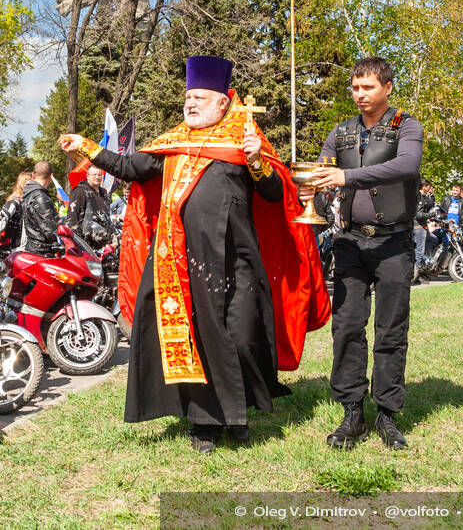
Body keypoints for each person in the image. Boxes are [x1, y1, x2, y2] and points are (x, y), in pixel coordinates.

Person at [61, 55, 328, 454]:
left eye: (199, 97)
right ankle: (205, 423)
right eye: (187, 97)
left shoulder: (244, 139)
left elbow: (276, 193)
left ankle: (239, 409)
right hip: (180, 261)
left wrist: (256, 161)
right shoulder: (172, 144)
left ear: (223, 102)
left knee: (240, 336)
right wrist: (84, 146)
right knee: (194, 341)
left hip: (237, 260)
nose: (190, 103)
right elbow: (129, 167)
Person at [302, 56, 423, 452]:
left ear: (387, 88)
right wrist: (312, 190)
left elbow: (407, 166)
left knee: (391, 331)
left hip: (393, 244)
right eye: (355, 88)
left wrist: (346, 176)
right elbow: (321, 172)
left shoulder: (407, 126)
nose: (359, 95)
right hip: (350, 243)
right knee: (348, 327)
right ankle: (352, 413)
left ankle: (387, 415)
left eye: (367, 87)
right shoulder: (341, 132)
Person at [66, 165, 113, 248]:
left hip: (104, 243)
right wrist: (77, 244)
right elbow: (72, 219)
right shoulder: (80, 191)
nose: (97, 177)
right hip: (86, 244)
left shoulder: (104, 193)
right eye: (94, 175)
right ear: (87, 176)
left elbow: (107, 217)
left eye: (99, 175)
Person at [20, 161, 60, 256]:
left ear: (33, 174)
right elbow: (50, 230)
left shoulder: (28, 193)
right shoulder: (40, 197)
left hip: (33, 248)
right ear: (51, 176)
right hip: (42, 252)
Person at [0, 171, 31, 252]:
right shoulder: (15, 203)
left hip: (33, 251)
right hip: (19, 251)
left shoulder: (33, 203)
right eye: (31, 183)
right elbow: (0, 222)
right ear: (24, 184)